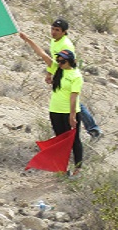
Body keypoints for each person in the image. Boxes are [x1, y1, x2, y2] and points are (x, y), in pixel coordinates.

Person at [19, 34, 84, 175]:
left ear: (70, 61)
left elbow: (74, 97)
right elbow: (42, 54)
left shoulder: (76, 76)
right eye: (58, 59)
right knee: (59, 140)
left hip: (69, 112)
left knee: (74, 140)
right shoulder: (57, 69)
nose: (59, 62)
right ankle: (62, 168)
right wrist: (28, 39)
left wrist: (72, 116)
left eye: (63, 61)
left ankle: (78, 168)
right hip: (55, 110)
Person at [40, 19, 103, 140]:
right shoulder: (54, 40)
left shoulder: (66, 44)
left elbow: (69, 61)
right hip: (60, 72)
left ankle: (93, 129)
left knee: (74, 102)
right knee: (72, 101)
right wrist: (50, 73)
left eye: (57, 30)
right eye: (52, 29)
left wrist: (62, 75)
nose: (53, 32)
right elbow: (55, 60)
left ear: (64, 32)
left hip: (68, 74)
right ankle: (91, 128)